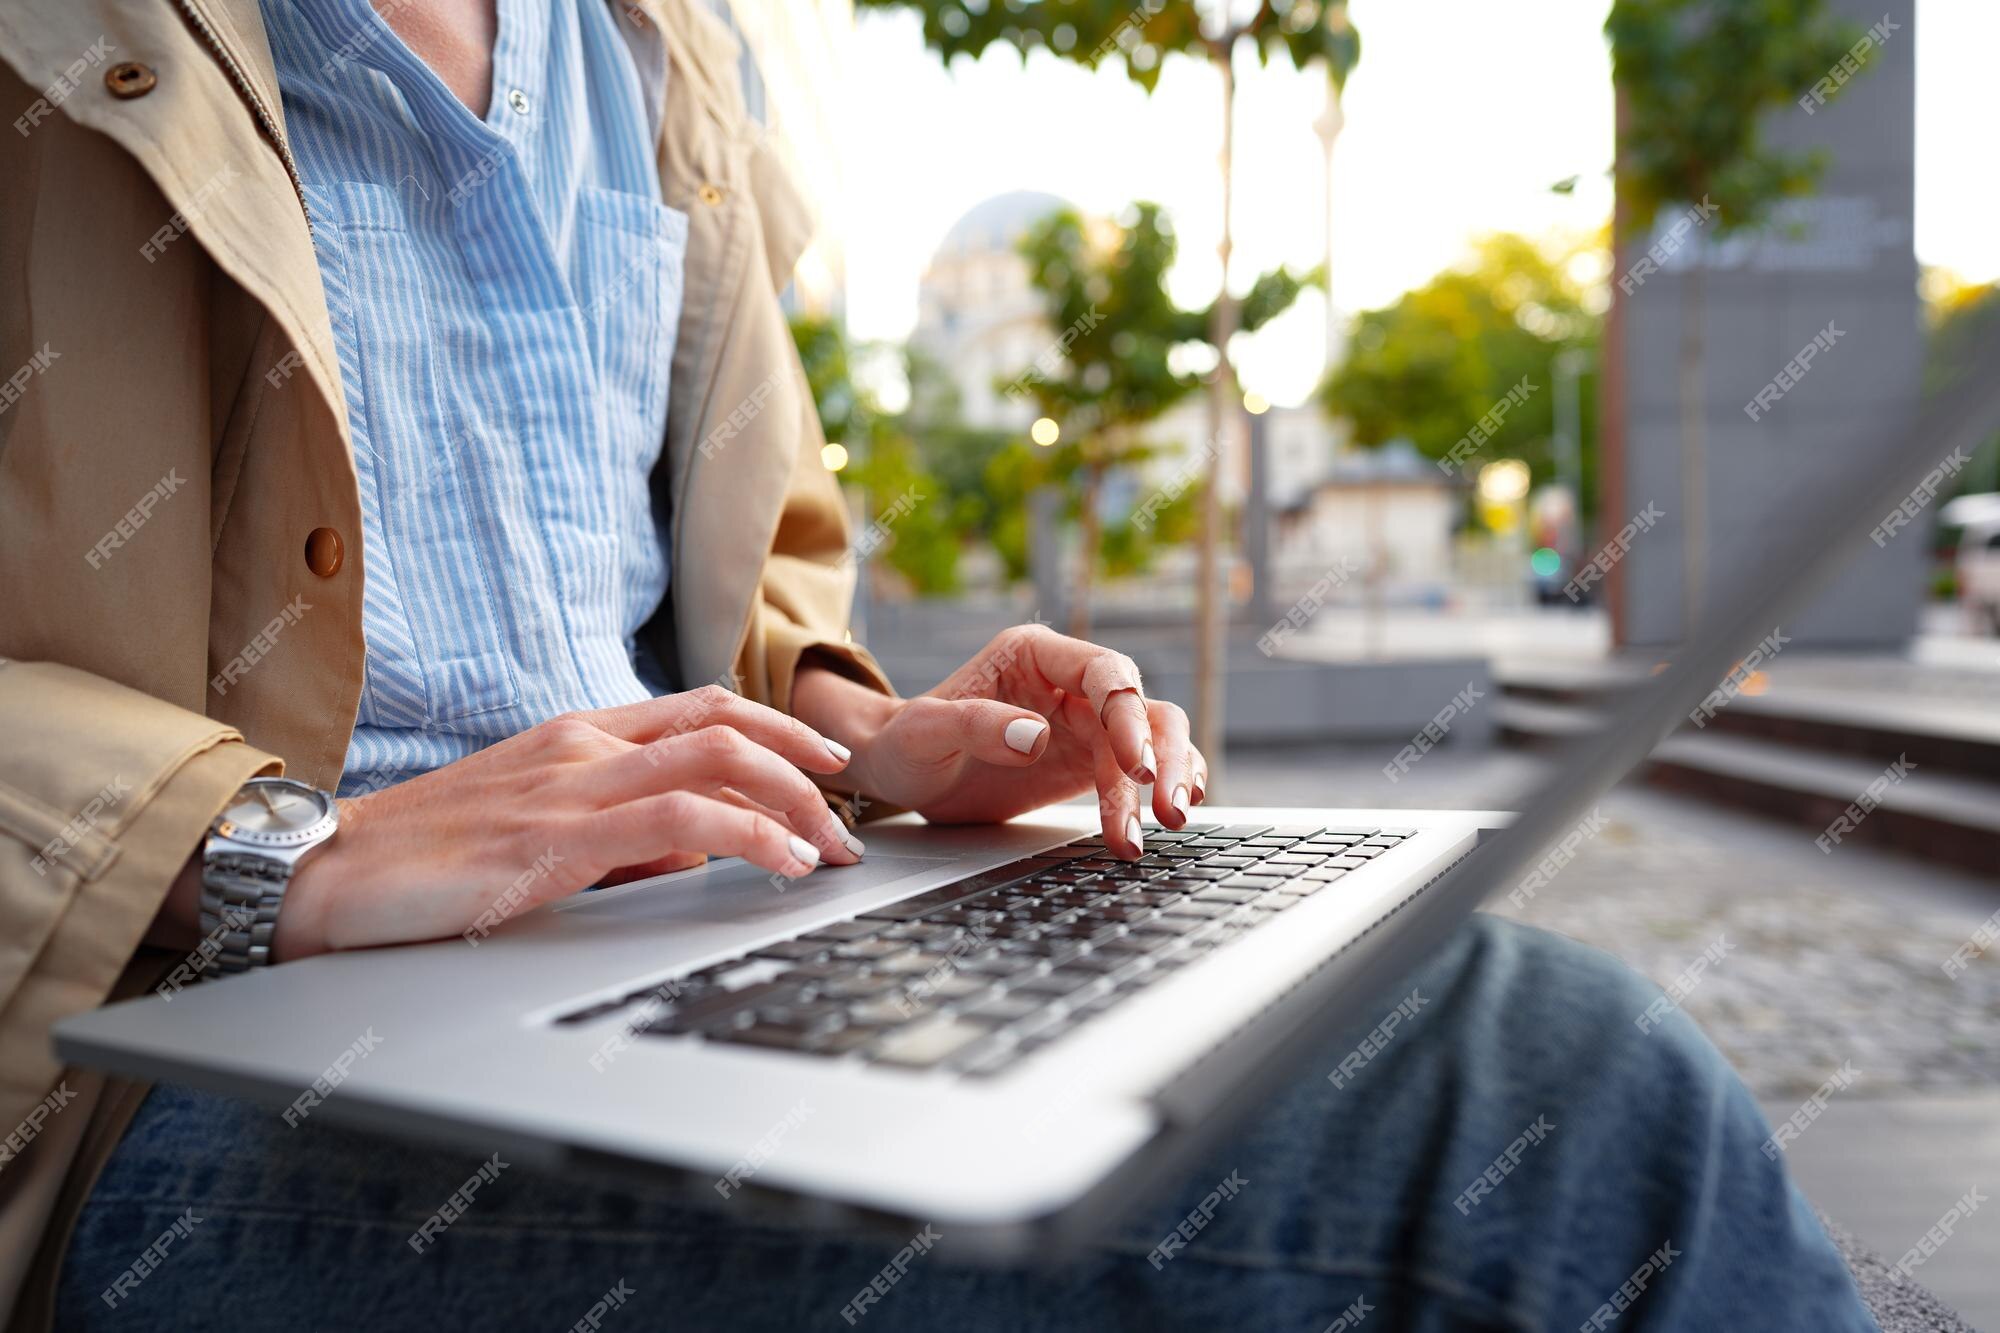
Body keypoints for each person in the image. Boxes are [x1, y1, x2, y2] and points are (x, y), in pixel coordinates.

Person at [0, 0, 1875, 1328]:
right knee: (1554, 1106)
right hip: (176, 1071)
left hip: (692, 942)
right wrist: (270, 856)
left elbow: (729, 582)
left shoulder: (668, 53)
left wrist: (862, 733)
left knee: (1394, 998)